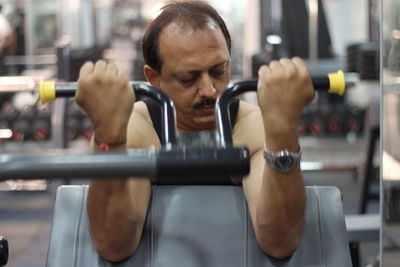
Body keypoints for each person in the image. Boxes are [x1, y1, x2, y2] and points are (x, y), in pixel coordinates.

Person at [75, 1, 314, 262]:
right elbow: (114, 245)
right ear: (154, 78)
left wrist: (282, 134)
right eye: (188, 79)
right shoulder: (133, 130)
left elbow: (280, 242)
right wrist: (109, 138)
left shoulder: (252, 127)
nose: (210, 90)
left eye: (218, 71)